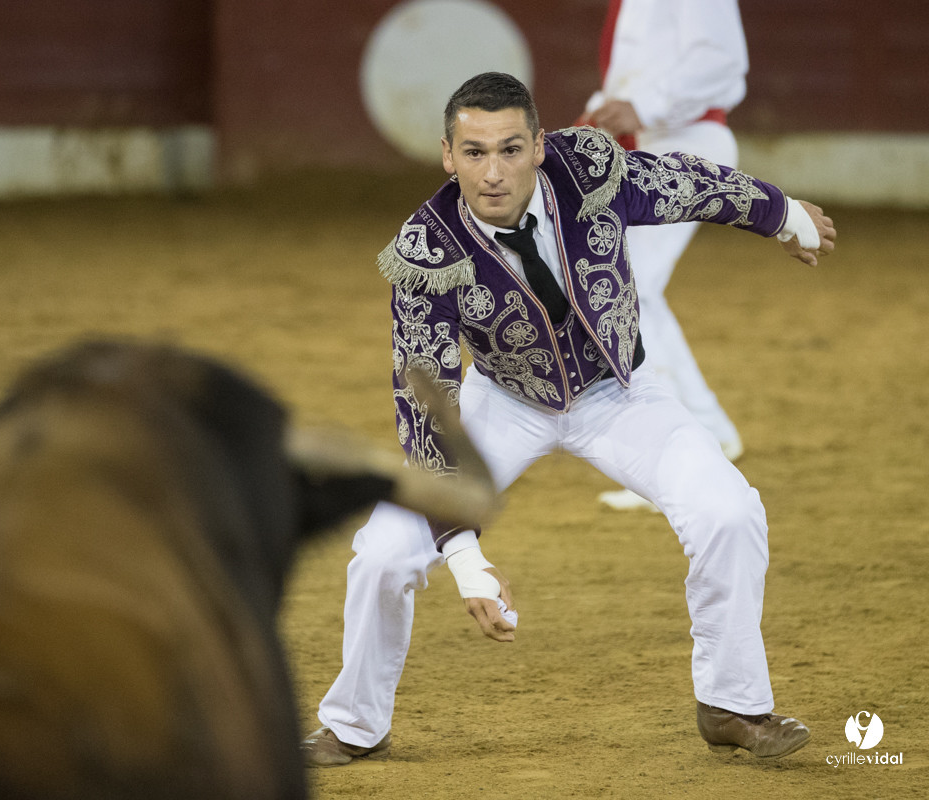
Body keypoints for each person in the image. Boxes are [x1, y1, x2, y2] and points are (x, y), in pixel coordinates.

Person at [301, 71, 833, 766]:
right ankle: (353, 723)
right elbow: (425, 407)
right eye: (474, 152)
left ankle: (731, 704)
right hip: (504, 404)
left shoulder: (590, 172)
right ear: (446, 155)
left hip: (622, 390)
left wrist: (783, 214)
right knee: (380, 555)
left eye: (511, 150)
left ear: (540, 146)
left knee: (730, 511)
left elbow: (685, 182)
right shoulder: (426, 252)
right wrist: (464, 556)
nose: (493, 173)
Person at [578, 0, 751, 511]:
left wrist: (643, 107)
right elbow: (639, 75)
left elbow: (722, 61)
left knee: (629, 284)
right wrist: (608, 111)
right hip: (654, 144)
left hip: (686, 140)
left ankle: (685, 447)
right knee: (632, 284)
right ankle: (705, 432)